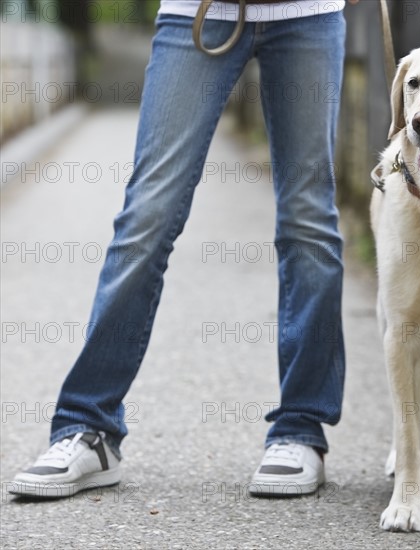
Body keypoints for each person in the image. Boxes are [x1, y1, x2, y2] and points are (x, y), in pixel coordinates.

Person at [10, 0, 358, 498]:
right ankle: (88, 428)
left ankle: (301, 429)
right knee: (147, 216)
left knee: (309, 221)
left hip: (307, 12)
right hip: (197, 10)